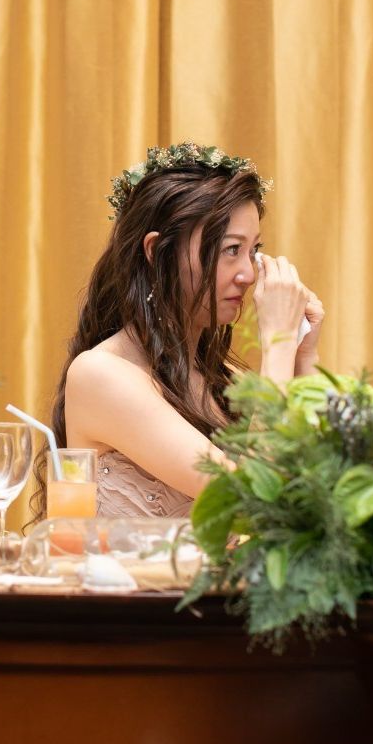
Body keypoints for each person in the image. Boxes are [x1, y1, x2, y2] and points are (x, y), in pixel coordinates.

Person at [51, 143, 324, 519]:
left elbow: (314, 499)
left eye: (253, 251)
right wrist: (277, 343)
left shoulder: (229, 381)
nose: (248, 274)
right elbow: (253, 500)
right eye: (231, 250)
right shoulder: (100, 375)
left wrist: (303, 356)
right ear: (156, 251)